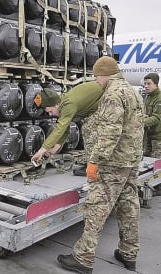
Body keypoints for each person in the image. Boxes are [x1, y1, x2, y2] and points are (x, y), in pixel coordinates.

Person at [57, 56, 144, 273]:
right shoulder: (134, 91)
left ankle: (83, 258)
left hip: (112, 163)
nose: (97, 81)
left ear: (103, 74)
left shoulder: (113, 94)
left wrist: (95, 160)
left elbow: (110, 132)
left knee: (96, 208)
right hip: (131, 160)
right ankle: (128, 253)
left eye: (97, 77)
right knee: (129, 206)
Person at [31, 82, 104, 175]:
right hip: (98, 105)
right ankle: (94, 164)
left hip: (107, 99)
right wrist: (54, 149)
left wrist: (41, 150)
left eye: (50, 111)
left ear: (56, 105)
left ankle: (94, 167)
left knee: (89, 130)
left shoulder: (68, 105)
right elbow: (65, 129)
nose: (50, 114)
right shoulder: (63, 104)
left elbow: (60, 129)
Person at [142, 73, 161, 158]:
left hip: (157, 139)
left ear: (156, 84)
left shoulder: (159, 98)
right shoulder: (148, 97)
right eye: (145, 84)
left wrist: (140, 122)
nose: (146, 86)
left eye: (149, 84)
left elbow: (157, 118)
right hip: (147, 136)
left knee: (157, 165)